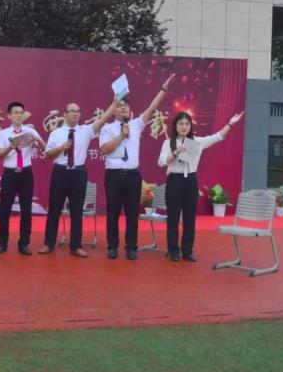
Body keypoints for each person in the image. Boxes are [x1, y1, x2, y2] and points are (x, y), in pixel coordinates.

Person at [99, 74, 175, 260]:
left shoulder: (136, 124)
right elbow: (104, 150)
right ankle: (112, 246)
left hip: (133, 176)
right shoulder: (107, 129)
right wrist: (121, 137)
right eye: (120, 106)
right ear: (114, 110)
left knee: (132, 213)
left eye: (126, 106)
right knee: (113, 212)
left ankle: (131, 247)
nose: (123, 109)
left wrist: (163, 89)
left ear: (130, 110)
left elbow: (152, 108)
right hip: (113, 176)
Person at [158, 111, 244, 262]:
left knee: (190, 217)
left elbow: (218, 137)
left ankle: (187, 251)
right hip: (174, 181)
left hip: (190, 181)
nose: (184, 127)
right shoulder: (169, 143)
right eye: (181, 124)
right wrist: (175, 152)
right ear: (175, 126)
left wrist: (231, 123)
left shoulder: (196, 141)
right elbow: (161, 162)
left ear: (190, 126)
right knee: (173, 217)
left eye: (187, 124)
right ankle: (173, 250)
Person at [37, 100, 117, 258]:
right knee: (54, 209)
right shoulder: (56, 133)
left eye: (78, 111)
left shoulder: (86, 130)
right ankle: (48, 243)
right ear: (64, 114)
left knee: (77, 210)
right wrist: (61, 147)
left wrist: (115, 103)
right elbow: (48, 154)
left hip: (78, 173)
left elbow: (103, 119)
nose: (76, 114)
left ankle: (75, 245)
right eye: (72, 111)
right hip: (60, 172)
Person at [0, 101, 46, 256]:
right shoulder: (3, 134)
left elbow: (45, 148)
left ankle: (24, 243)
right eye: (16, 112)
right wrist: (11, 146)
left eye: (21, 113)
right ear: (9, 116)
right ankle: (2, 243)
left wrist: (36, 140)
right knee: (5, 209)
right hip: (10, 174)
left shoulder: (30, 131)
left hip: (25, 174)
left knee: (26, 210)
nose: (19, 115)